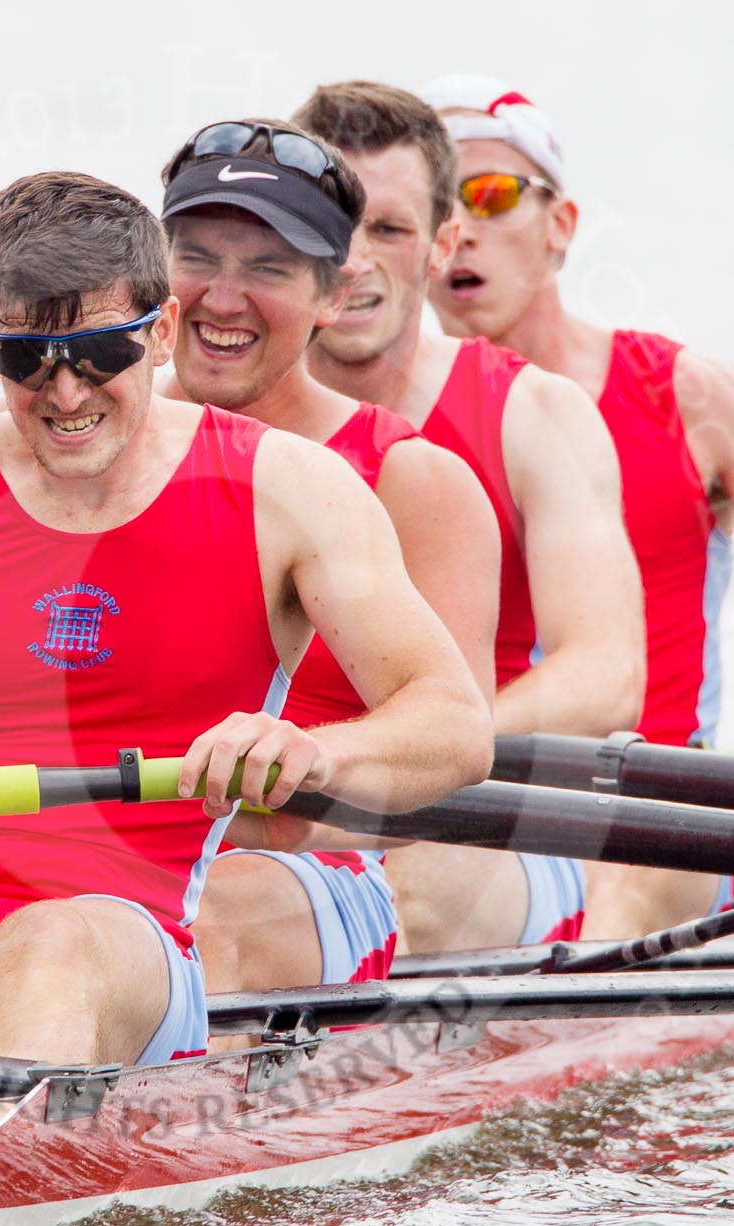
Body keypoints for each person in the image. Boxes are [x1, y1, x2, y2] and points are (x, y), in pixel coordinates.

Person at [0, 171, 490, 1066]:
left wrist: (321, 753)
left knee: (49, 946)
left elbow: (455, 724)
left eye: (101, 354)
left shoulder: (291, 493)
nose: (67, 393)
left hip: (123, 934)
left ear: (161, 333)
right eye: (25, 359)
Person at [418, 74, 734, 933]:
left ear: (561, 229)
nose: (462, 227)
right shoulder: (372, 420)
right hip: (468, 813)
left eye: (493, 194)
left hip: (649, 820)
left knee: (585, 898)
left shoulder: (690, 398)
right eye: (438, 204)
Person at [291, 81, 646, 953]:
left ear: (443, 242)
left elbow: (606, 675)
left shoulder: (535, 416)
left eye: (389, 229)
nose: (354, 261)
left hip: (483, 814)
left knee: (404, 883)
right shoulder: (216, 410)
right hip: (286, 804)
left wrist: (419, 741)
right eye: (332, 230)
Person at [152, 118, 506, 992]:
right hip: (109, 845)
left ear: (333, 293)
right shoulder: (82, 439)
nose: (224, 301)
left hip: (312, 867)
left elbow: (451, 759)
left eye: (268, 269)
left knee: (203, 913)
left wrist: (312, 775)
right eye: (198, 258)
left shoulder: (413, 480)